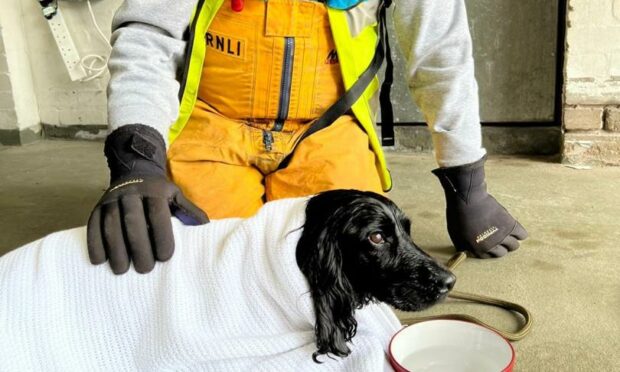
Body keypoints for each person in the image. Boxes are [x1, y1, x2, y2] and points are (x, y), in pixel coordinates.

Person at [87, 0, 528, 275]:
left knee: (352, 263)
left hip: (327, 132)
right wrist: (136, 160)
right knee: (200, 264)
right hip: (212, 127)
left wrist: (467, 183)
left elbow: (440, 57)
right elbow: (149, 34)